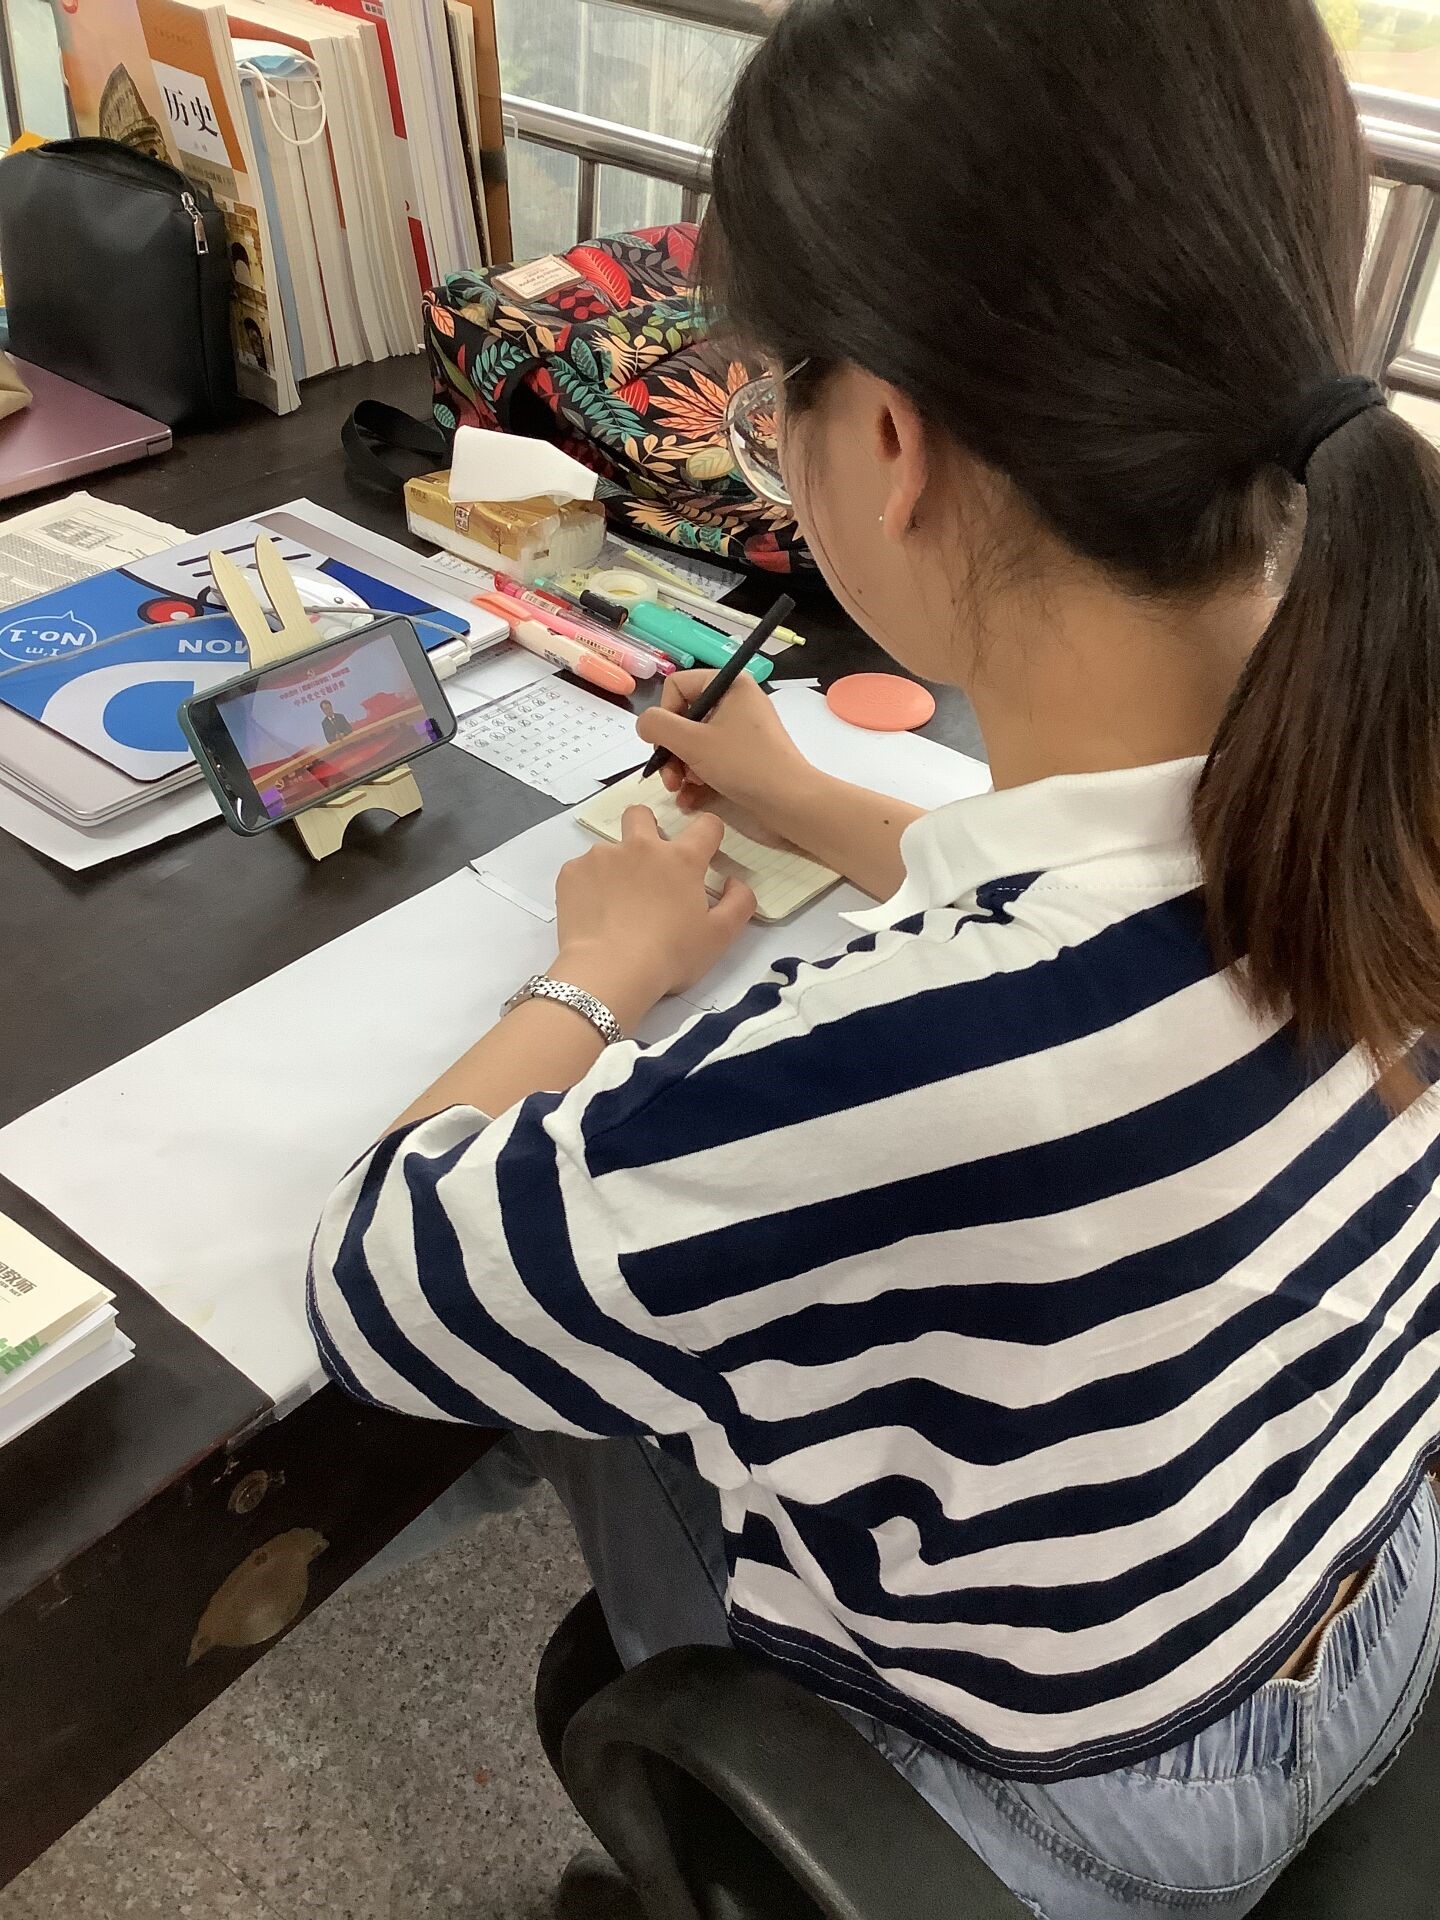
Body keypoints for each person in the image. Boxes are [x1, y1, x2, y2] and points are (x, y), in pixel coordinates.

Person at [307, 1, 1440, 1911]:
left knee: (596, 1351)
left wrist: (596, 976)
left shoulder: (913, 1055)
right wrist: (813, 800)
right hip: (1358, 1610)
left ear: (893, 439)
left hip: (1078, 1799)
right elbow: (1136, 941)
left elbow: (378, 1283)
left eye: (776, 403)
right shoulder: (1373, 754)